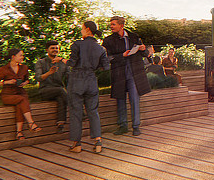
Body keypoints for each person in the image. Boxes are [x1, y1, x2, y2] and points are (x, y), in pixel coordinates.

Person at [102, 16, 152, 136]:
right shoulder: (108, 40)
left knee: (134, 99)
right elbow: (107, 58)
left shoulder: (134, 37)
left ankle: (136, 126)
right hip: (119, 73)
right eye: (111, 24)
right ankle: (123, 126)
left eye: (113, 24)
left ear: (121, 25)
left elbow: (144, 54)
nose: (111, 26)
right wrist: (122, 55)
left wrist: (144, 49)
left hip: (134, 72)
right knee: (120, 99)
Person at [66, 21, 110, 153]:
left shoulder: (77, 44)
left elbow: (72, 62)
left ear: (87, 29)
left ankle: (77, 144)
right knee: (93, 111)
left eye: (82, 28)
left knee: (76, 112)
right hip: (92, 81)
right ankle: (98, 142)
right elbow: (106, 67)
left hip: (77, 80)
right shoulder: (100, 48)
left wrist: (62, 60)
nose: (81, 31)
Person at [0, 48, 40, 140]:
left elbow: (27, 79)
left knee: (20, 105)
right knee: (22, 100)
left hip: (20, 93)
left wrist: (25, 83)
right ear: (13, 57)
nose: (22, 57)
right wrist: (7, 82)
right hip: (8, 95)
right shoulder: (4, 69)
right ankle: (31, 123)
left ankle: (19, 133)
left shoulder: (24, 68)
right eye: (20, 55)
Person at [34, 42, 69, 132]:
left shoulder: (62, 63)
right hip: (45, 90)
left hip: (59, 91)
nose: (55, 50)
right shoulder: (40, 62)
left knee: (61, 97)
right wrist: (49, 73)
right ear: (47, 50)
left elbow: (70, 77)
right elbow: (38, 78)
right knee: (61, 91)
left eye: (57, 48)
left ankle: (60, 124)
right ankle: (80, 112)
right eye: (52, 48)